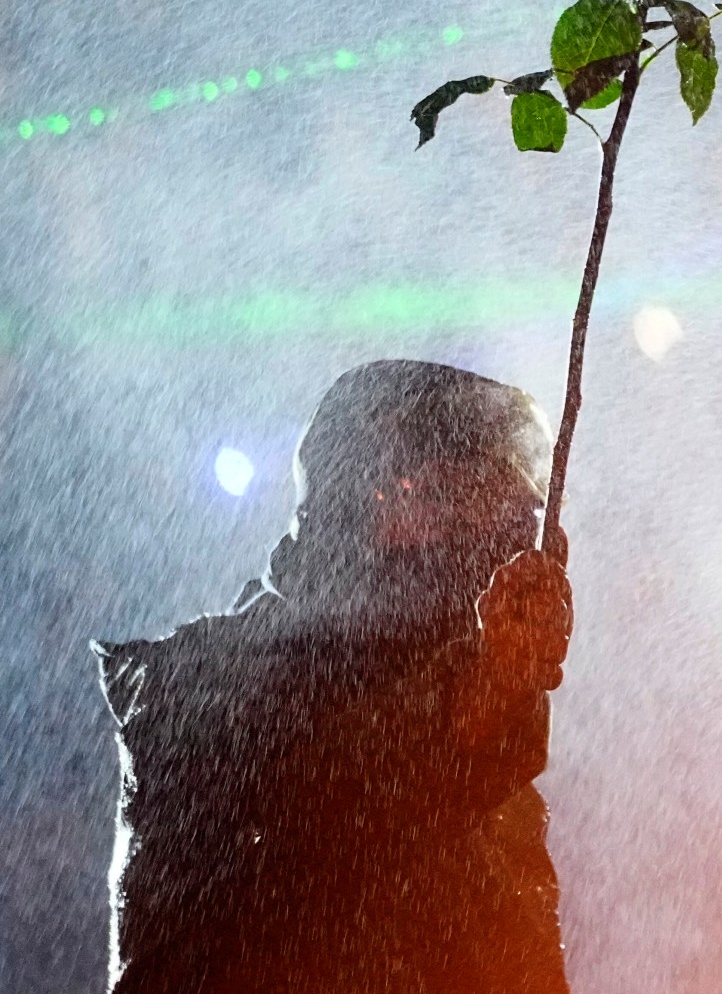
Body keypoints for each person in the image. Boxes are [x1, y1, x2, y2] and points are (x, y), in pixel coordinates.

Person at [95, 361, 575, 994]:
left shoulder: (493, 785)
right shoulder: (200, 687)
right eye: (464, 498)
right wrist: (489, 686)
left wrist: (493, 686)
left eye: (519, 510)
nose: (506, 534)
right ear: (372, 500)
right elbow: (348, 788)